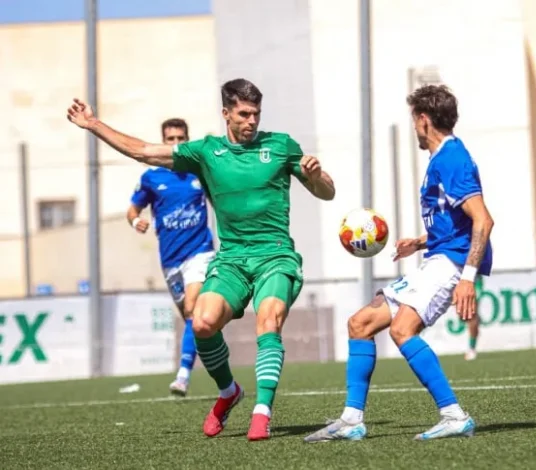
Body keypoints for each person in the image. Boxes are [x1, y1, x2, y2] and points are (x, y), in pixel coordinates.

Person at [66, 78, 336, 441]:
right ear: (226, 113)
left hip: (275, 256)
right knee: (202, 323)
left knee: (268, 321)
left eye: (256, 113)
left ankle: (262, 412)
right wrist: (93, 124)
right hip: (232, 260)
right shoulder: (207, 152)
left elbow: (327, 192)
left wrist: (316, 177)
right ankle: (229, 392)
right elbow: (144, 152)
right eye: (244, 114)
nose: (252, 121)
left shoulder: (281, 145)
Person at [304, 84, 494, 442]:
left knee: (402, 330)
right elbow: (456, 221)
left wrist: (467, 278)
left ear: (423, 120)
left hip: (450, 265)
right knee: (360, 323)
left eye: (414, 121)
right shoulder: (442, 158)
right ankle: (351, 420)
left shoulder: (452, 159)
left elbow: (483, 220)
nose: (414, 129)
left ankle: (454, 415)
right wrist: (420, 241)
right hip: (437, 258)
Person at [126, 118, 215, 397]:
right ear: (163, 142)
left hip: (200, 251)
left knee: (192, 308)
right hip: (170, 259)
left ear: (187, 140)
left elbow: (219, 201)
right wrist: (135, 221)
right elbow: (132, 210)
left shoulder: (199, 171)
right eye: (170, 139)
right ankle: (210, 355)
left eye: (180, 138)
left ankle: (183, 375)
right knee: (193, 320)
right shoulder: (151, 177)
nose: (176, 143)